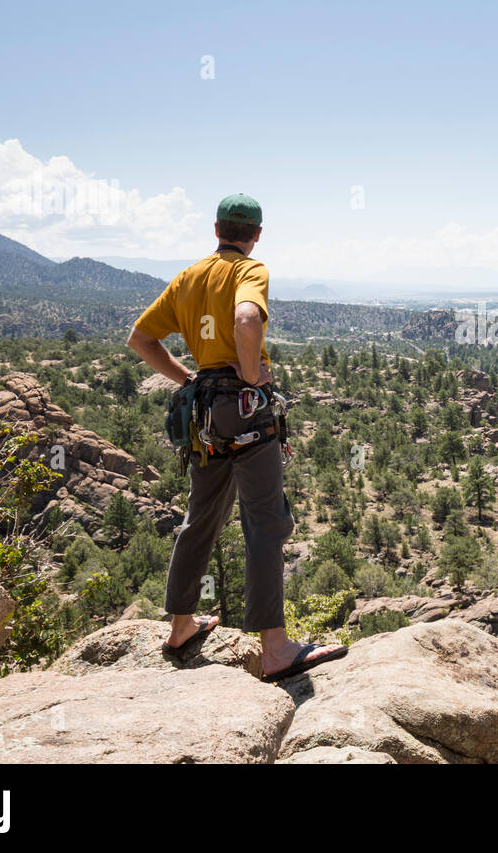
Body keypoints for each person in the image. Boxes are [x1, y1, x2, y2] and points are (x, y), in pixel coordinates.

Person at [126, 192, 346, 682]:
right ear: (257, 234)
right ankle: (274, 649)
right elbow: (246, 318)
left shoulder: (189, 277)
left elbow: (140, 339)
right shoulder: (251, 270)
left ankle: (181, 626)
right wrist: (250, 376)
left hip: (205, 414)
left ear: (216, 228)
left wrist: (188, 380)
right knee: (266, 524)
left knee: (201, 517)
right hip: (247, 412)